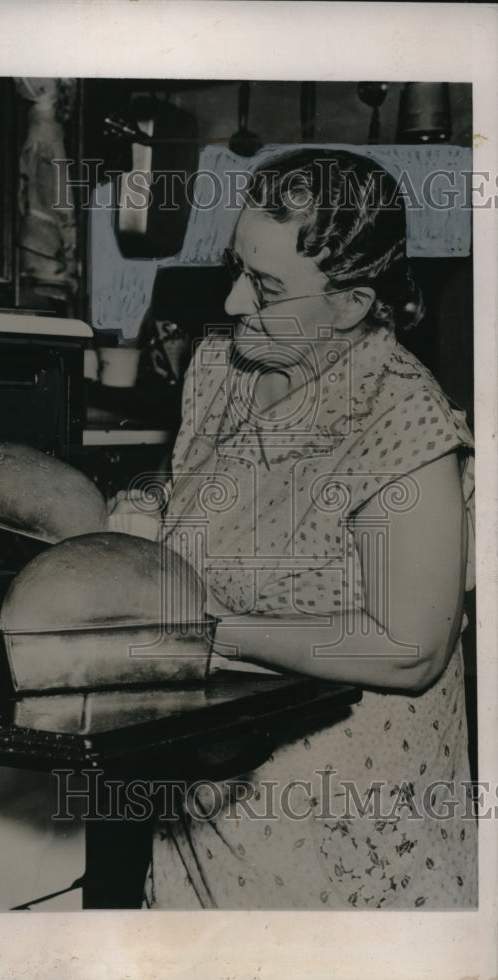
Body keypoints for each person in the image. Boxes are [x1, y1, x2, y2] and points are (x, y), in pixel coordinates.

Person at [118, 148, 477, 909]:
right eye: (236, 268)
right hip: (212, 793)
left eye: (267, 287)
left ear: (350, 304)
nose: (234, 300)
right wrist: (146, 512)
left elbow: (411, 647)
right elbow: (212, 490)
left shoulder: (401, 421)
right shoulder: (220, 368)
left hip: (348, 823)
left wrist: (218, 635)